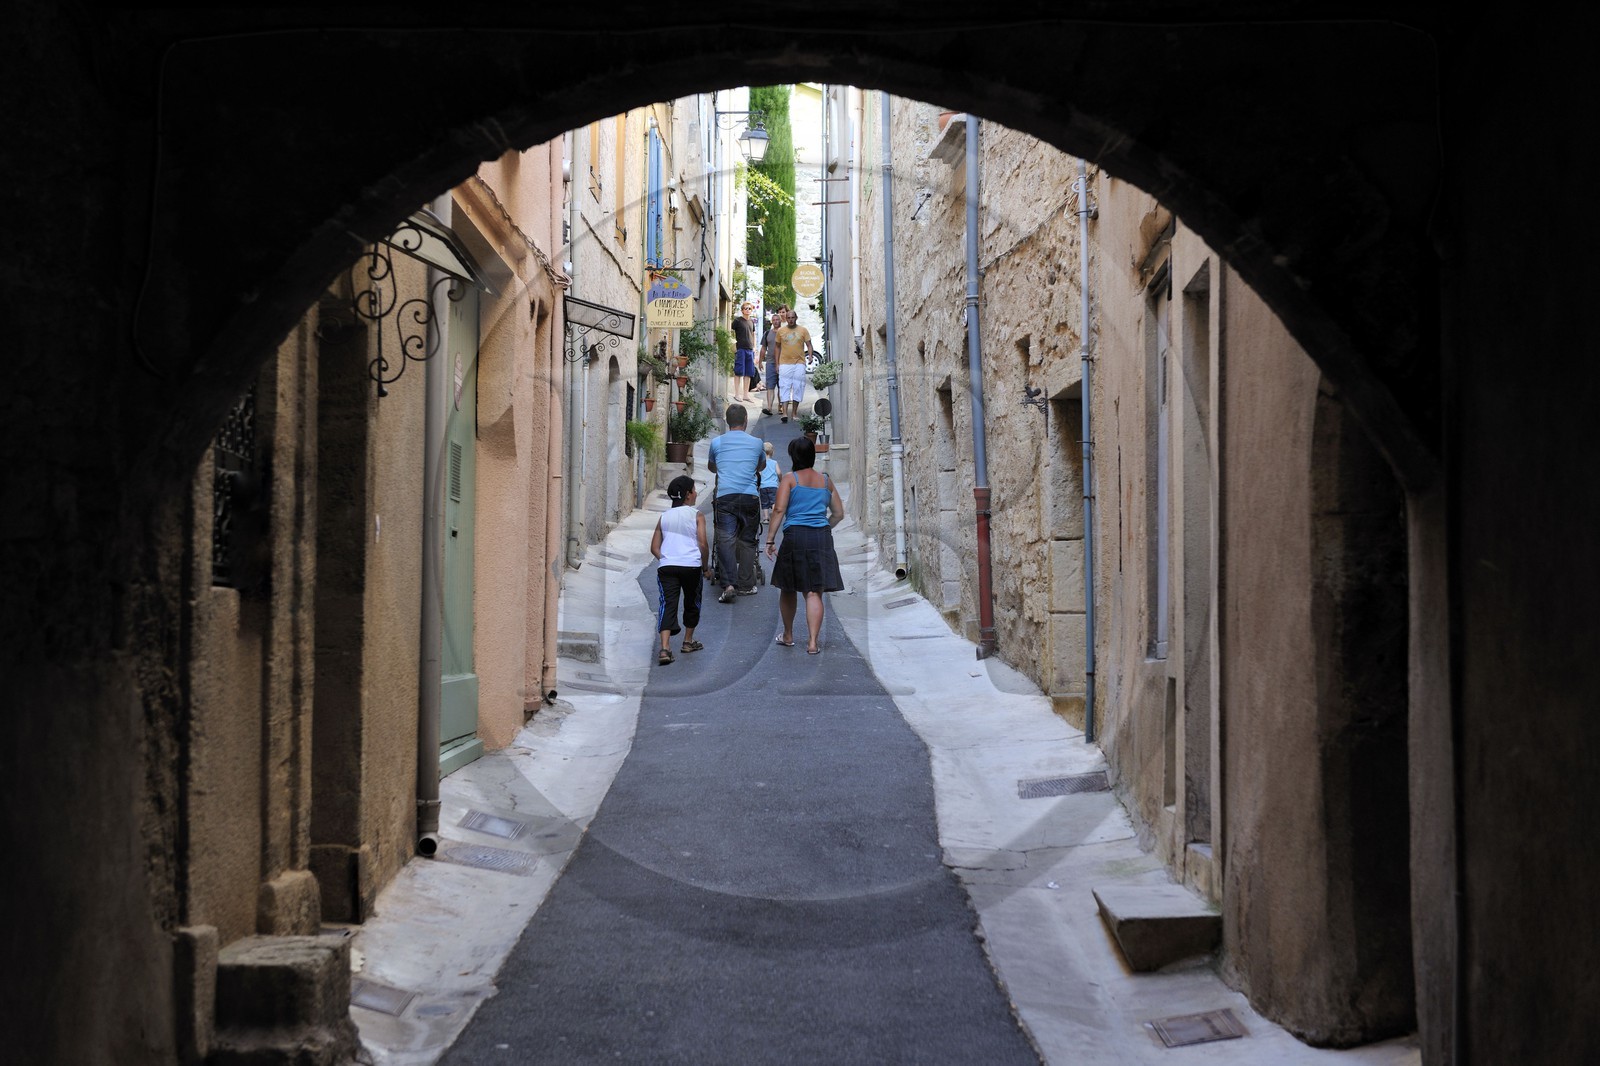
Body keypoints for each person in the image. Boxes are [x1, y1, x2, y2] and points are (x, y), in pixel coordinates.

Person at [766, 434, 845, 654]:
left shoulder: (790, 480)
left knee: (788, 587)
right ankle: (812, 643)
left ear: (793, 456)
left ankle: (789, 635)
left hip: (795, 537)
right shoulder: (826, 481)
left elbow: (779, 510)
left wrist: (770, 539)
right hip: (821, 537)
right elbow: (839, 514)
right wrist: (825, 526)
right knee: (814, 591)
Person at [706, 403, 766, 603]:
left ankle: (729, 584)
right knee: (748, 541)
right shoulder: (757, 443)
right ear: (746, 420)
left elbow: (712, 467)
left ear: (727, 422)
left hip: (725, 497)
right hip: (749, 497)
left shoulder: (717, 443)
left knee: (726, 541)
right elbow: (762, 466)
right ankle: (747, 585)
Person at [650, 475, 711, 665]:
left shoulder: (664, 517)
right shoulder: (697, 515)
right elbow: (702, 543)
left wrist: (668, 559)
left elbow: (654, 548)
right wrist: (705, 567)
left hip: (667, 567)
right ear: (687, 495)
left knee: (667, 603)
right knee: (692, 601)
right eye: (693, 490)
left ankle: (665, 649)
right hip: (692, 566)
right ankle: (687, 641)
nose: (695, 493)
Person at [774, 309, 815, 423]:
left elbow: (809, 345)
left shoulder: (803, 330)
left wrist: (810, 356)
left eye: (792, 318)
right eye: (789, 318)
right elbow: (777, 347)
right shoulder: (781, 331)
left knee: (798, 387)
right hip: (785, 363)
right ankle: (785, 413)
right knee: (784, 386)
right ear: (786, 319)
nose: (791, 320)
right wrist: (777, 363)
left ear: (796, 318)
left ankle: (795, 413)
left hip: (799, 363)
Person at [759, 306, 786, 416]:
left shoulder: (785, 332)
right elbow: (763, 348)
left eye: (777, 319)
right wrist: (760, 361)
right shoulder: (767, 334)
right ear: (772, 321)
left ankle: (780, 406)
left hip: (783, 362)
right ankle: (769, 407)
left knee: (782, 386)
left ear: (780, 321)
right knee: (770, 386)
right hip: (770, 362)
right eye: (774, 320)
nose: (775, 321)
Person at [731, 302, 758, 403]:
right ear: (742, 310)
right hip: (740, 349)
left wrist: (754, 347)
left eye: (749, 309)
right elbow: (731, 331)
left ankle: (746, 395)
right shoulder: (737, 321)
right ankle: (737, 394)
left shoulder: (751, 322)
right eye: (745, 308)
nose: (747, 310)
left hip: (750, 350)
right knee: (738, 372)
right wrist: (732, 343)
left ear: (751, 310)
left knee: (748, 373)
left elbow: (753, 334)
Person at [758, 439, 781, 532]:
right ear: (772, 452)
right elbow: (779, 472)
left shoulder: (761, 463)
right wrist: (780, 479)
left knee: (764, 503)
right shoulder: (774, 463)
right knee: (773, 501)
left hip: (763, 486)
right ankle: (775, 516)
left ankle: (766, 518)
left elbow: (758, 473)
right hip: (773, 485)